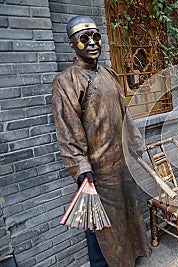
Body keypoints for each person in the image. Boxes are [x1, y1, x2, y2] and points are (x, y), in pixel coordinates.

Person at [52, 16, 150, 266]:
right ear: (71, 44)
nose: (93, 43)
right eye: (84, 39)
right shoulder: (66, 81)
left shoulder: (109, 73)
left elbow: (125, 115)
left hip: (122, 166)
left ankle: (130, 258)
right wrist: (82, 169)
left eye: (96, 36)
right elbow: (68, 130)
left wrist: (135, 145)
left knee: (127, 217)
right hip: (98, 173)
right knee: (100, 230)